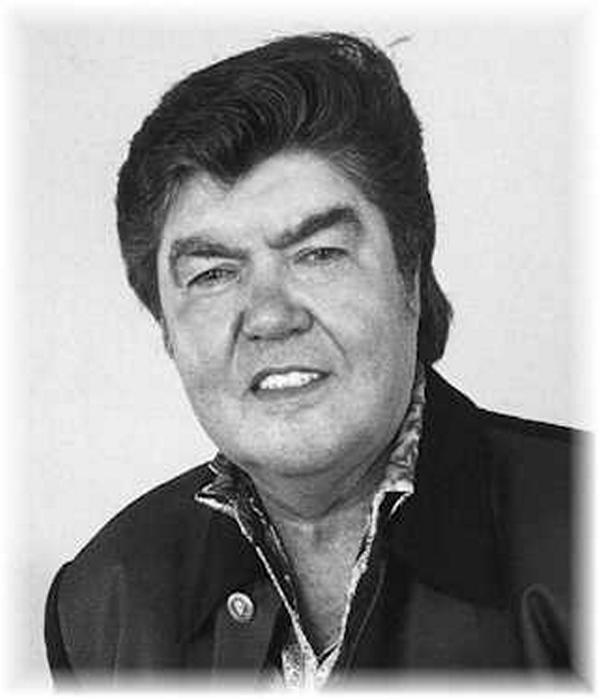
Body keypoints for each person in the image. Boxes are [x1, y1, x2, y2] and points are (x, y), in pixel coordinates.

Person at [44, 32, 576, 687]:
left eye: (318, 254)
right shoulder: (104, 602)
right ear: (167, 329)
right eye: (212, 273)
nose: (270, 316)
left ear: (410, 275)